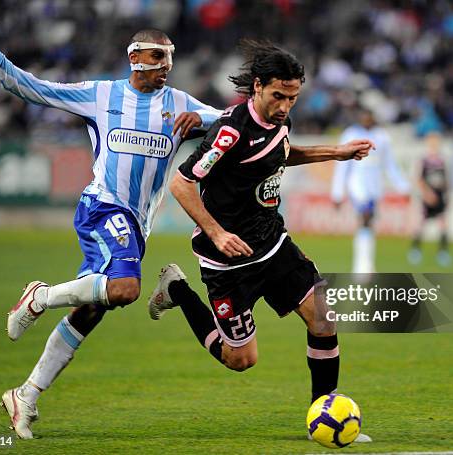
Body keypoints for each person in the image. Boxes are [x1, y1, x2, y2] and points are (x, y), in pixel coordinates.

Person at [0, 7, 221, 439]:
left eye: (169, 58)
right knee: (126, 289)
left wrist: (205, 121)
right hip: (102, 207)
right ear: (135, 58)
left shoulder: (180, 104)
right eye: (158, 58)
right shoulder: (101, 95)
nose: (166, 67)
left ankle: (25, 395)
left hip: (136, 225)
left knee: (94, 309)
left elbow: (230, 123)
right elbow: (37, 89)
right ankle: (40, 297)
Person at [146, 40, 373, 442]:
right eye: (278, 96)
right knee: (240, 360)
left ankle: (323, 413)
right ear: (257, 87)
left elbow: (279, 153)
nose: (285, 106)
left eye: (293, 97)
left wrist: (334, 153)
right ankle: (178, 290)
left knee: (323, 319)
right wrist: (216, 231)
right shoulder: (230, 131)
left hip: (274, 244)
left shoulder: (279, 121)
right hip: (228, 263)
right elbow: (181, 183)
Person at [330, 108, 410, 273]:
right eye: (363, 117)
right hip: (357, 186)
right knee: (365, 218)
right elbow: (342, 166)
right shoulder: (350, 134)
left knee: (368, 223)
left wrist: (403, 186)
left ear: (373, 118)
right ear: (359, 118)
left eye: (369, 117)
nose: (366, 120)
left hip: (375, 187)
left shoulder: (382, 136)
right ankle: (361, 267)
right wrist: (337, 192)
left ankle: (366, 263)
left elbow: (389, 165)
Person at [408, 132, 452, 266]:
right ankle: (415, 251)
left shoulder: (442, 160)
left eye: (436, 142)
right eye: (432, 142)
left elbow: (446, 180)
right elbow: (419, 179)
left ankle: (443, 253)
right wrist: (427, 194)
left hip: (439, 197)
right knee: (420, 224)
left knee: (443, 224)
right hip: (427, 197)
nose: (434, 144)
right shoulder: (424, 160)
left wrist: (447, 195)